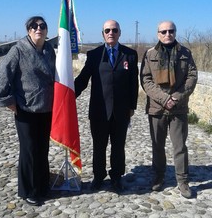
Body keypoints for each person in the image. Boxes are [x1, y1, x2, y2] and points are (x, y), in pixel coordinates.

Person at [0, 16, 56, 206]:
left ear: (46, 30)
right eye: (34, 26)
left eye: (42, 26)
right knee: (29, 151)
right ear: (28, 30)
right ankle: (28, 190)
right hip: (26, 110)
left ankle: (43, 185)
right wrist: (8, 101)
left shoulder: (49, 50)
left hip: (46, 108)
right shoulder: (18, 50)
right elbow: (1, 74)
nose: (39, 29)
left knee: (42, 149)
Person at [75, 20, 139, 193]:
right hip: (99, 111)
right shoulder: (94, 55)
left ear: (119, 32)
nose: (111, 32)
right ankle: (98, 176)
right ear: (102, 33)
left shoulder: (130, 55)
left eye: (114, 30)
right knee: (99, 146)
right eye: (107, 30)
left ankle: (117, 177)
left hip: (121, 111)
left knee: (118, 146)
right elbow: (83, 79)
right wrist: (68, 95)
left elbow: (134, 83)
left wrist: (132, 106)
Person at [140, 21, 197, 198]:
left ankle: (182, 181)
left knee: (179, 146)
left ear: (175, 32)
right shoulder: (150, 54)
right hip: (157, 108)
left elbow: (192, 76)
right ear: (158, 34)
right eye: (163, 31)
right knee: (157, 146)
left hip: (178, 108)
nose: (167, 34)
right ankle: (158, 176)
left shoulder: (185, 53)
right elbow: (146, 80)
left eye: (171, 31)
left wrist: (176, 97)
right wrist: (165, 99)